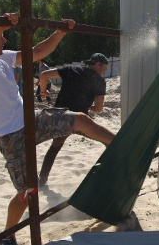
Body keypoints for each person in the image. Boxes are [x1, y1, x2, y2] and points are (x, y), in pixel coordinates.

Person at [0, 13, 115, 245]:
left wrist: (61, 32)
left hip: (31, 120)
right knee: (26, 194)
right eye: (1, 37)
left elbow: (36, 52)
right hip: (9, 136)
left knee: (80, 119)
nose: (4, 42)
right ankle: (7, 236)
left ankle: (118, 144)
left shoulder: (4, 59)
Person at [37, 53, 109, 187]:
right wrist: (89, 106)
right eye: (104, 68)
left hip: (61, 119)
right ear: (97, 64)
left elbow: (44, 75)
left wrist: (43, 91)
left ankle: (42, 180)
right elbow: (99, 108)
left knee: (54, 148)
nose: (104, 72)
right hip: (81, 122)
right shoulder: (100, 81)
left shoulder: (71, 69)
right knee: (106, 140)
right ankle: (109, 173)